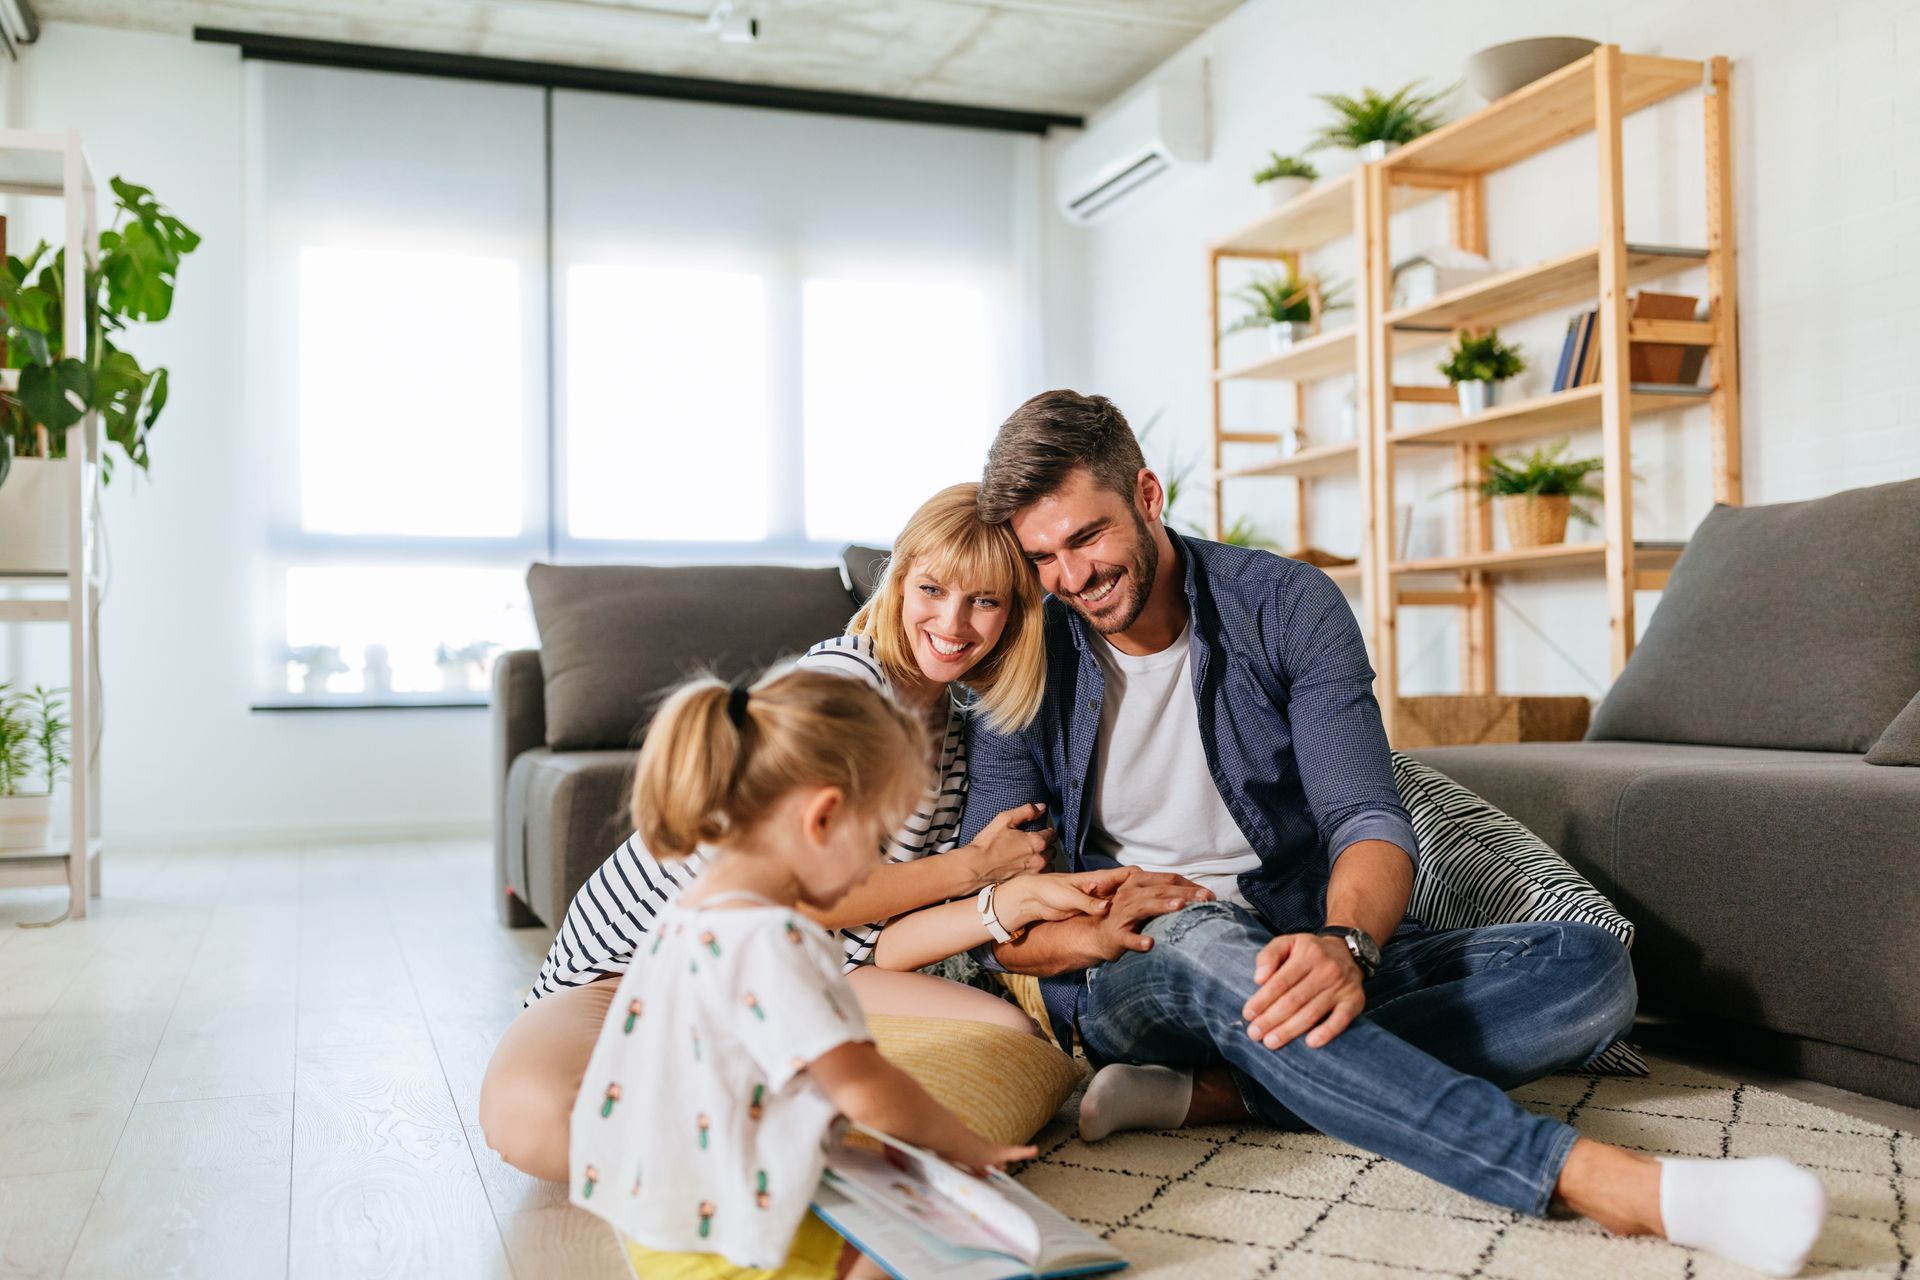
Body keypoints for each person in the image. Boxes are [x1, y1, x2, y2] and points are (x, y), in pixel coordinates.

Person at [958, 389, 1829, 1279]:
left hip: (1295, 937)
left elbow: (1365, 816)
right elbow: (996, 923)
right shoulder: (1025, 648)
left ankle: (1227, 1094)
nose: (1069, 577)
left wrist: (1346, 942)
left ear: (1146, 496)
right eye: (1042, 557)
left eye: (1087, 537)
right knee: (1212, 939)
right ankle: (1608, 1183)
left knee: (1590, 971)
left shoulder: (1284, 604)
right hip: (1138, 966)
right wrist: (1096, 932)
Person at [481, 483, 1092, 1183]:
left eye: (985, 601)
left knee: (1008, 1042)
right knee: (540, 1121)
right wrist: (975, 869)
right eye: (933, 589)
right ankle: (764, 1143)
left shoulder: (958, 735)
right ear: (898, 584)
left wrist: (1000, 907)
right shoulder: (843, 683)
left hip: (798, 964)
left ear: (1015, 616)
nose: (953, 621)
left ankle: (796, 1142)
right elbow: (814, 895)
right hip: (632, 970)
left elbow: (872, 937)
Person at [572, 667, 1112, 1278]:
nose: (880, 867)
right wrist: (963, 1144)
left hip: (656, 1221)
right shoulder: (778, 939)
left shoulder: (688, 915)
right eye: (880, 839)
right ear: (824, 818)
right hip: (738, 1233)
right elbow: (865, 1085)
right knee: (921, 1257)